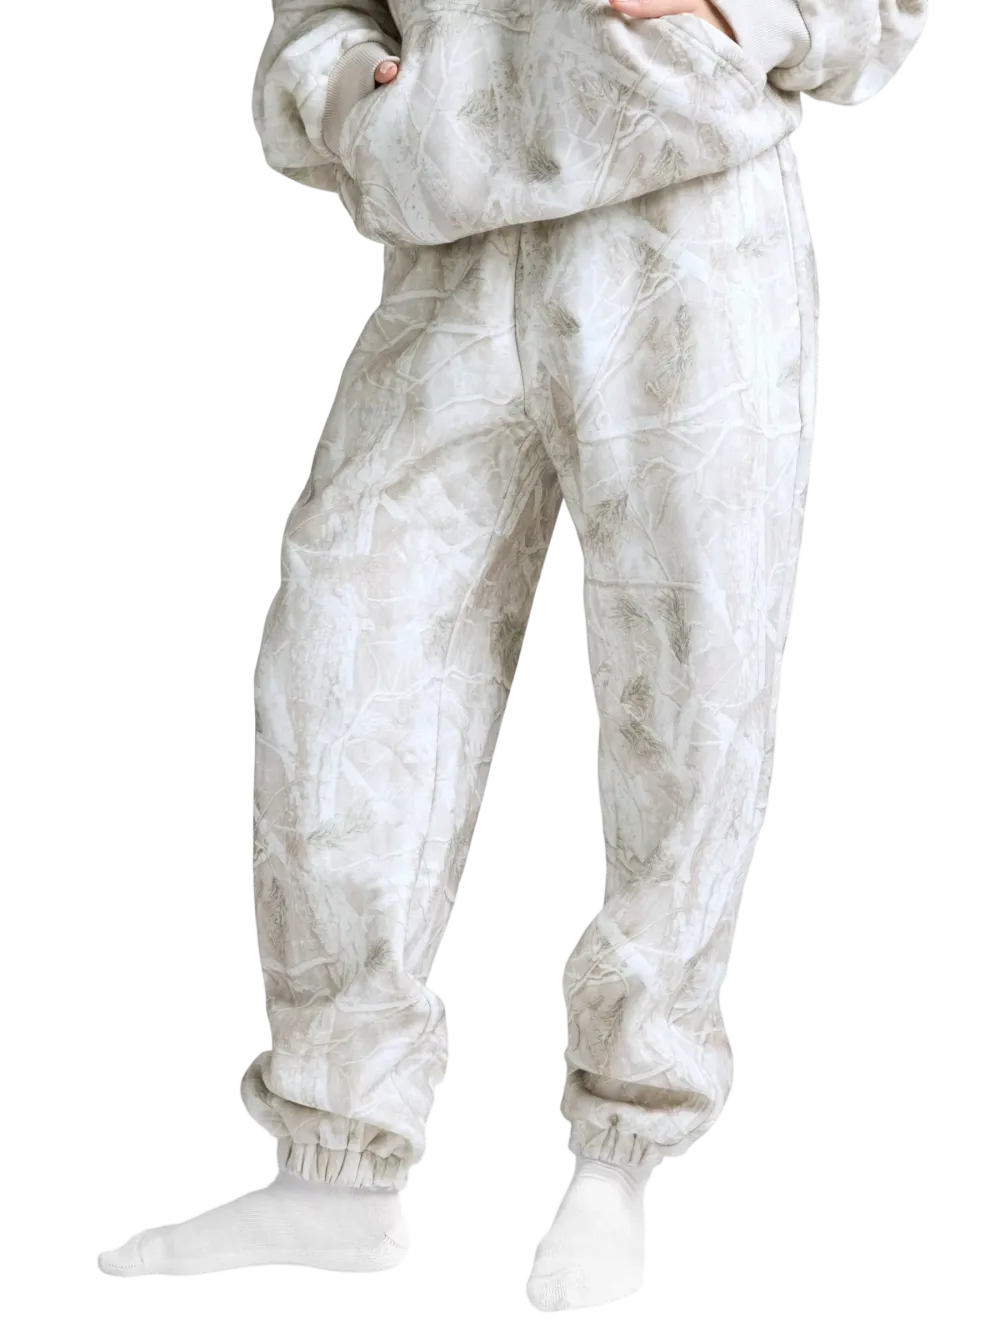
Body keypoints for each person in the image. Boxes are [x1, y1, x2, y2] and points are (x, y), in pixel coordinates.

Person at [97, 0, 930, 1307]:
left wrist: (742, 16)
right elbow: (320, 17)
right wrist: (359, 97)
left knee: (690, 686)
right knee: (341, 669)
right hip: (455, 241)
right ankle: (335, 1167)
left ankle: (618, 1159)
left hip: (688, 218)